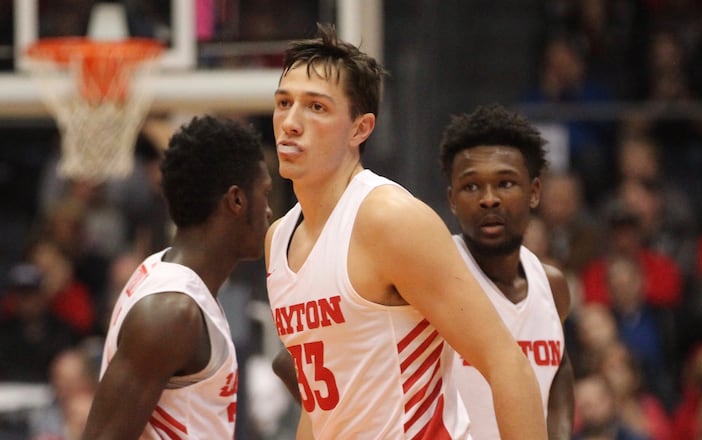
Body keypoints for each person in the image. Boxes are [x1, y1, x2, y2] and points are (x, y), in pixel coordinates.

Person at [265, 24, 547, 439]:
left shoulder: (387, 218)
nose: (290, 122)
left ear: (360, 129)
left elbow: (507, 363)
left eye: (316, 108)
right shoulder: (278, 239)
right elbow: (320, 407)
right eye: (284, 103)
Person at [82, 115, 274, 439]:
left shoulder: (172, 283)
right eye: (265, 193)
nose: (269, 210)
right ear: (237, 200)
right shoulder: (172, 312)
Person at [438, 103, 574, 439]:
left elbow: (559, 371)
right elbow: (292, 364)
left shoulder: (552, 285)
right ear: (452, 199)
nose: (489, 199)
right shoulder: (431, 276)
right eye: (472, 187)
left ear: (534, 192)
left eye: (505, 183)